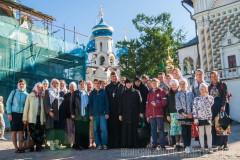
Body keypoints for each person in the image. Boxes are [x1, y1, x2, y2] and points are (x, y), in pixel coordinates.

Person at [119, 79, 142, 148]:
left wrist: (141, 112)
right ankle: (126, 144)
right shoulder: (123, 93)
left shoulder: (136, 92)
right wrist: (120, 114)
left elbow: (140, 103)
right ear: (125, 84)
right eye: (127, 83)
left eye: (129, 83)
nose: (128, 84)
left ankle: (134, 144)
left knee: (133, 129)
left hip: (134, 114)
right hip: (125, 114)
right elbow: (120, 105)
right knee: (126, 129)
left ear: (131, 84)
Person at [6, 79, 28, 153]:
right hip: (13, 114)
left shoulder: (26, 95)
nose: (21, 85)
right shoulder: (14, 92)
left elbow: (27, 106)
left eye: (23, 84)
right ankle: (16, 148)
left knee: (21, 132)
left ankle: (21, 147)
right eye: (20, 84)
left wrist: (26, 117)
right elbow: (8, 102)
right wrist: (9, 113)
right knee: (14, 131)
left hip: (22, 115)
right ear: (18, 85)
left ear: (25, 85)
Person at [208, 71, 228, 151]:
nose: (214, 78)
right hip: (213, 106)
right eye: (212, 77)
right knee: (215, 124)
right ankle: (218, 143)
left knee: (222, 124)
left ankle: (225, 143)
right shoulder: (209, 86)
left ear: (218, 76)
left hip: (221, 104)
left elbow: (224, 95)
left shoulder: (223, 84)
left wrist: (223, 105)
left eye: (215, 76)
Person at [23, 82, 45, 152]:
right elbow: (26, 108)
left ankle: (38, 146)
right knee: (32, 133)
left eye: (41, 87)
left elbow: (44, 109)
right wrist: (25, 118)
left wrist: (44, 119)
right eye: (38, 87)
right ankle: (32, 146)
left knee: (40, 133)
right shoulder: (30, 96)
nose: (39, 88)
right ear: (35, 87)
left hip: (40, 118)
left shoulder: (43, 96)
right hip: (32, 118)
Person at [145, 78, 167, 150]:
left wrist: (157, 104)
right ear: (150, 84)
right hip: (151, 115)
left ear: (158, 83)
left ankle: (162, 145)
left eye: (155, 83)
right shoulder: (149, 93)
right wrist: (147, 115)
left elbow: (164, 102)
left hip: (159, 114)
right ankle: (154, 145)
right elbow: (147, 105)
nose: (154, 85)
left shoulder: (161, 92)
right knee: (153, 130)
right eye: (152, 83)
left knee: (161, 129)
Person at [193, 83, 214, 154]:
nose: (203, 90)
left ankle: (210, 147)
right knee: (201, 133)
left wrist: (207, 96)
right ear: (199, 90)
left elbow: (210, 104)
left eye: (204, 88)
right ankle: (202, 147)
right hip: (200, 118)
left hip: (208, 117)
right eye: (201, 89)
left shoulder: (210, 97)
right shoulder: (196, 99)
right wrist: (195, 118)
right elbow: (194, 108)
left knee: (209, 133)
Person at [89, 79, 109, 150]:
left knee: (104, 129)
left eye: (98, 83)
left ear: (100, 84)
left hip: (103, 114)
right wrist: (90, 114)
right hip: (95, 115)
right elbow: (90, 104)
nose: (97, 84)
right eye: (95, 83)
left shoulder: (103, 92)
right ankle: (98, 144)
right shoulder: (92, 93)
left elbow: (106, 103)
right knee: (95, 130)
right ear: (94, 84)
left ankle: (104, 144)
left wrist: (107, 113)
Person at [105, 71, 124, 148]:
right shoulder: (107, 87)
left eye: (115, 76)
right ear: (110, 77)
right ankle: (111, 144)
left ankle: (120, 144)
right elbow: (106, 100)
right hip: (111, 111)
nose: (114, 78)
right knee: (111, 127)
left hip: (120, 110)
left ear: (118, 76)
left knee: (120, 128)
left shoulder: (122, 86)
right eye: (113, 76)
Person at [175, 78, 194, 153]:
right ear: (179, 85)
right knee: (184, 130)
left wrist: (191, 113)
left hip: (189, 115)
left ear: (186, 84)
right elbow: (178, 104)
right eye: (181, 84)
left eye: (184, 84)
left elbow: (193, 103)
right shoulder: (177, 94)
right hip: (181, 116)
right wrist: (184, 114)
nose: (182, 85)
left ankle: (189, 145)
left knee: (189, 130)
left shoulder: (190, 93)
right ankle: (186, 146)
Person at [44, 78, 63, 151]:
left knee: (57, 128)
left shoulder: (58, 92)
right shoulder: (48, 91)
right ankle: (51, 145)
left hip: (57, 114)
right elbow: (46, 102)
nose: (55, 85)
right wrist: (49, 111)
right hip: (51, 114)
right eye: (54, 83)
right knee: (51, 129)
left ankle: (57, 144)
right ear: (51, 84)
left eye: (57, 83)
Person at [165, 79, 184, 150]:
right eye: (172, 85)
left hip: (180, 113)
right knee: (175, 129)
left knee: (181, 129)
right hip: (172, 114)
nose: (174, 86)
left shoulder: (180, 93)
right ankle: (177, 143)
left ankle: (182, 143)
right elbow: (166, 106)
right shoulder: (168, 94)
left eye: (175, 84)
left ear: (177, 85)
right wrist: (167, 115)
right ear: (170, 85)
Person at [71, 80, 89, 150]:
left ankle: (85, 145)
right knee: (78, 131)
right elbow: (72, 104)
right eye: (81, 84)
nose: (82, 85)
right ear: (79, 85)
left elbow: (88, 105)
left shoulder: (86, 93)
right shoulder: (75, 93)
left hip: (85, 115)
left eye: (83, 84)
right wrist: (72, 113)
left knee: (84, 130)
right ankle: (77, 145)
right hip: (78, 114)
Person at [64, 82, 77, 148]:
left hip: (75, 115)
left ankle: (75, 143)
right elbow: (65, 105)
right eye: (70, 86)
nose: (71, 88)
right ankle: (68, 143)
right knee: (68, 130)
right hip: (68, 115)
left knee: (74, 130)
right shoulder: (67, 95)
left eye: (73, 86)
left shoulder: (77, 94)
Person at [86, 80, 95, 148]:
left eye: (90, 85)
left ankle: (93, 142)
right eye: (87, 85)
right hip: (85, 112)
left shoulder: (93, 92)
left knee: (92, 127)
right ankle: (88, 142)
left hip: (92, 112)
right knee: (87, 128)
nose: (88, 86)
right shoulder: (84, 92)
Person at [59, 80, 67, 145]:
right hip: (58, 112)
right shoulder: (56, 92)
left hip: (65, 112)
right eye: (61, 84)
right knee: (59, 127)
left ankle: (64, 141)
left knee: (65, 127)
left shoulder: (67, 92)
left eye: (63, 84)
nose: (62, 85)